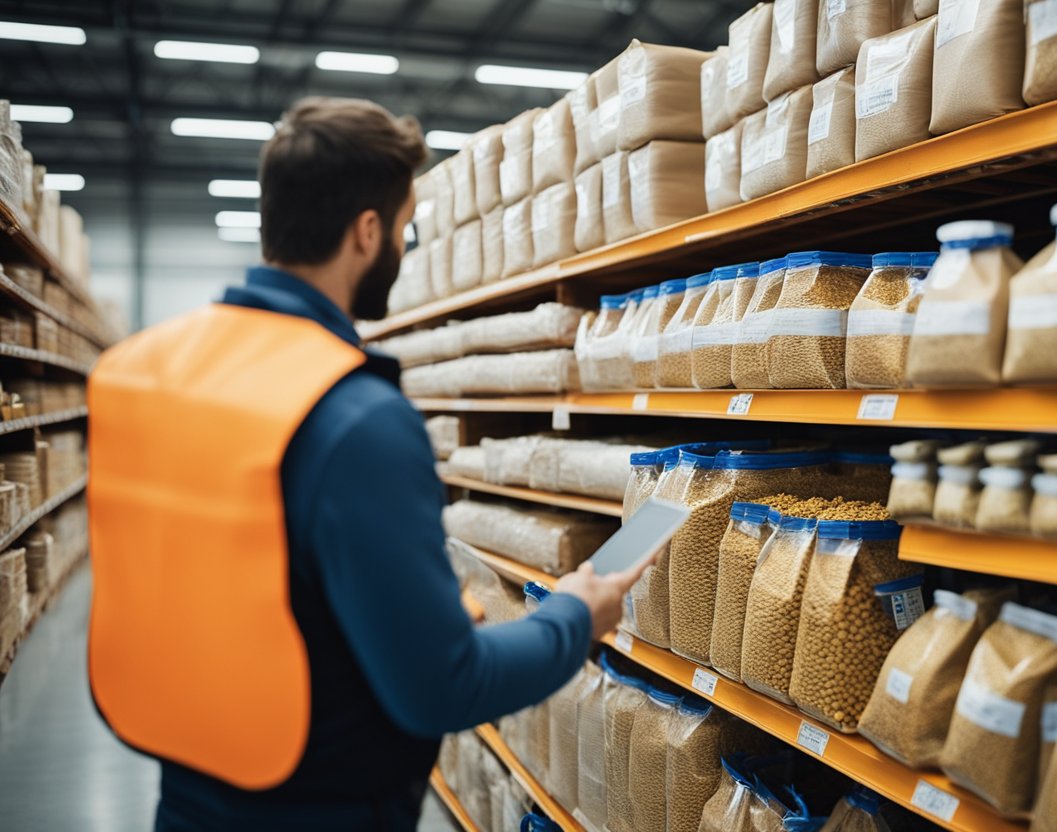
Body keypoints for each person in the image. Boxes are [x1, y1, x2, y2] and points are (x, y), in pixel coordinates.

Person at [87, 97, 647, 831]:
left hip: (190, 792)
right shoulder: (355, 418)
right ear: (368, 231)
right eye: (405, 229)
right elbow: (442, 688)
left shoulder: (145, 369)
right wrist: (577, 616)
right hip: (322, 806)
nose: (404, 250)